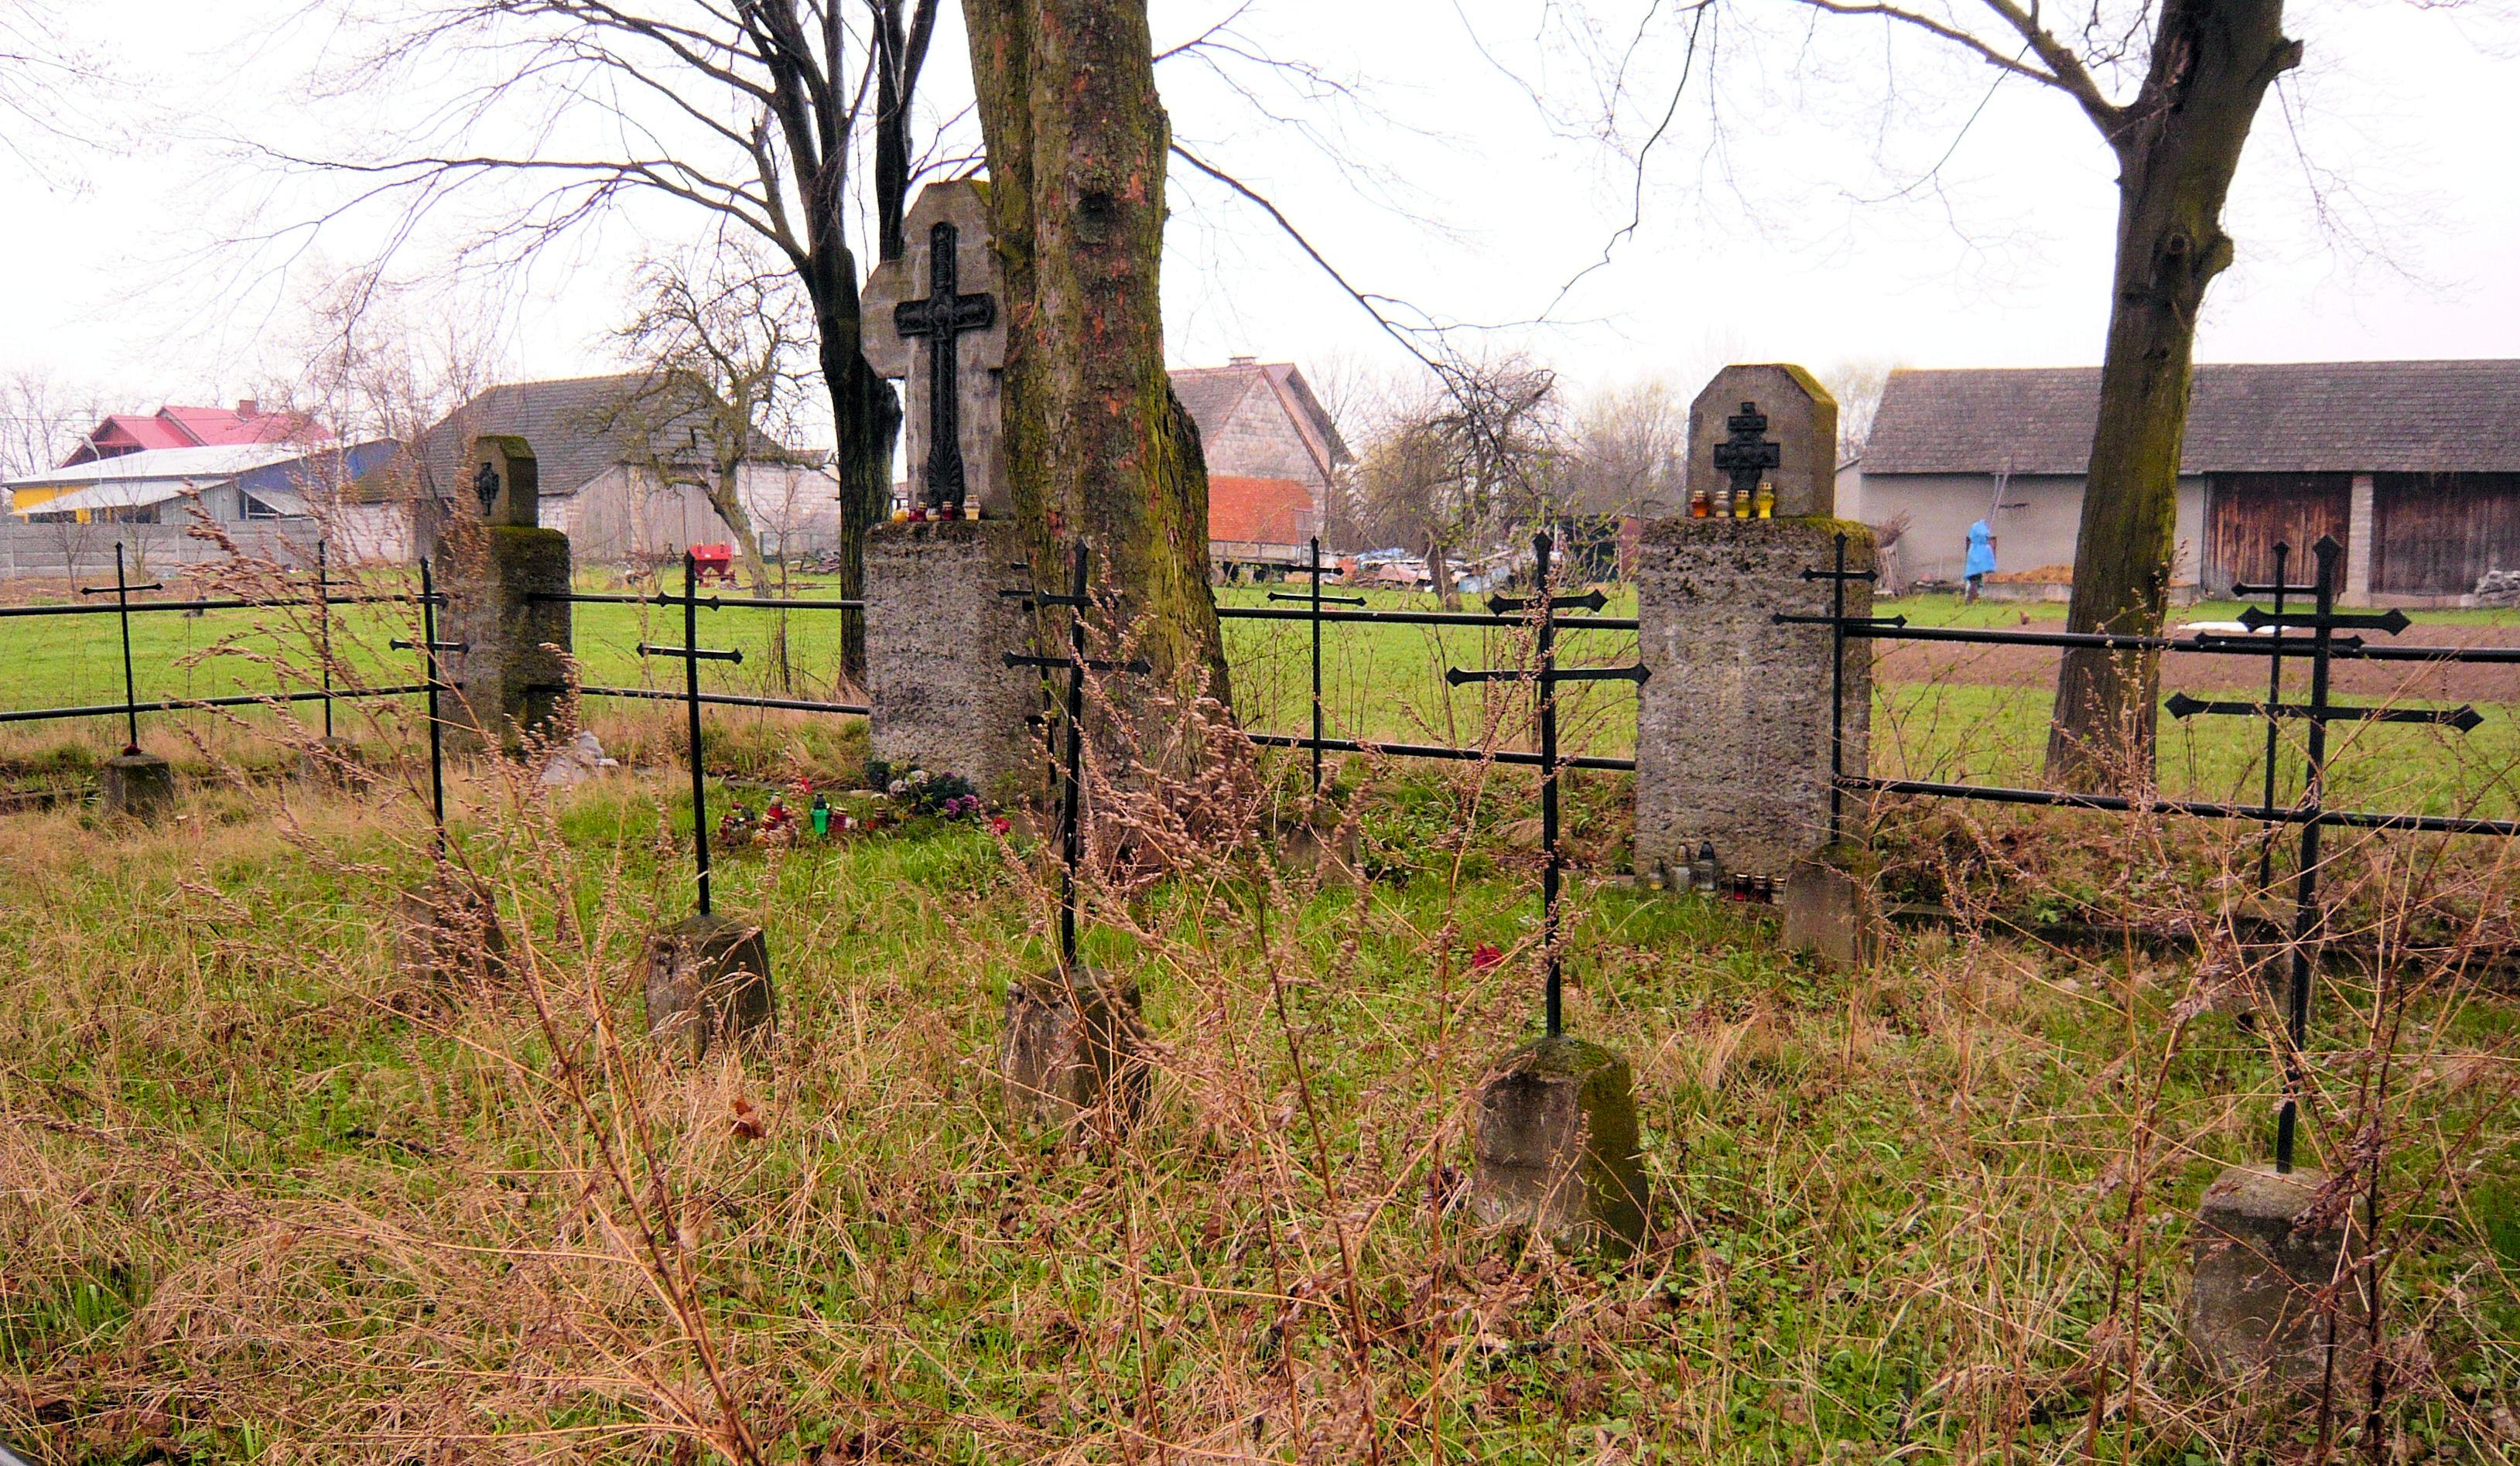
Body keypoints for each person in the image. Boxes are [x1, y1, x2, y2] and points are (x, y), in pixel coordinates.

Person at [1963, 518, 1997, 603]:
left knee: (1973, 584)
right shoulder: (1985, 548)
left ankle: (1971, 599)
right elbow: (1989, 561)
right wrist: (1989, 569)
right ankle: (1972, 600)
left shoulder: (1973, 548)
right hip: (1977, 572)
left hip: (1973, 571)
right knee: (1976, 584)